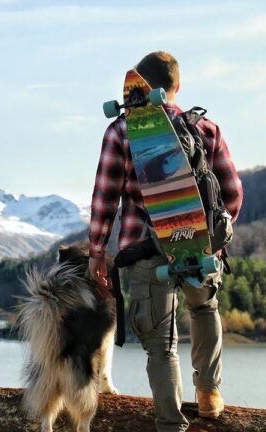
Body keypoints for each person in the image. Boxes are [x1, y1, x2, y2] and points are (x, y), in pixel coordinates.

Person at [87, 51, 243, 432]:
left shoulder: (120, 131)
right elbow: (232, 192)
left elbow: (105, 196)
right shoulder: (205, 128)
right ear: (177, 87)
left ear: (137, 85)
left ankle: (170, 424)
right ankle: (208, 395)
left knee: (161, 345)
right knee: (204, 310)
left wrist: (97, 252)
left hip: (143, 251)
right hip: (198, 247)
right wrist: (210, 236)